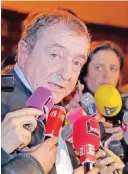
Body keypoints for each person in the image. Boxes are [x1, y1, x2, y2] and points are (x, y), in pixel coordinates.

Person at [1, 8, 92, 174]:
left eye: (77, 62)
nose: (67, 75)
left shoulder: (55, 109)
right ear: (23, 52)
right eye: (55, 55)